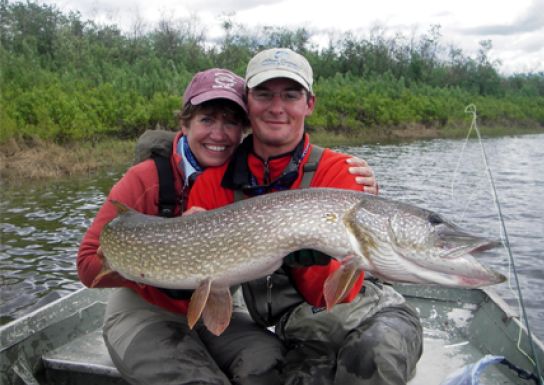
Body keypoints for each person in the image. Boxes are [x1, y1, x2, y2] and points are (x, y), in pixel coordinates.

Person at [77, 67, 378, 385]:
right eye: (207, 119)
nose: (219, 134)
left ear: (245, 128)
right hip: (146, 309)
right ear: (185, 123)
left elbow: (308, 195)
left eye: (231, 122)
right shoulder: (145, 178)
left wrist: (362, 189)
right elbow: (86, 264)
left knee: (273, 370)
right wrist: (166, 264)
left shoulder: (247, 181)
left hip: (217, 307)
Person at [187, 49, 423, 385]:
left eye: (291, 95)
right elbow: (209, 284)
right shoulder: (212, 186)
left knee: (374, 354)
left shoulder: (341, 171)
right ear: (247, 102)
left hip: (372, 314)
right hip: (297, 331)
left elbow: (336, 297)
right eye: (264, 94)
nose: (277, 107)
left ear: (309, 103)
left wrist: (309, 256)